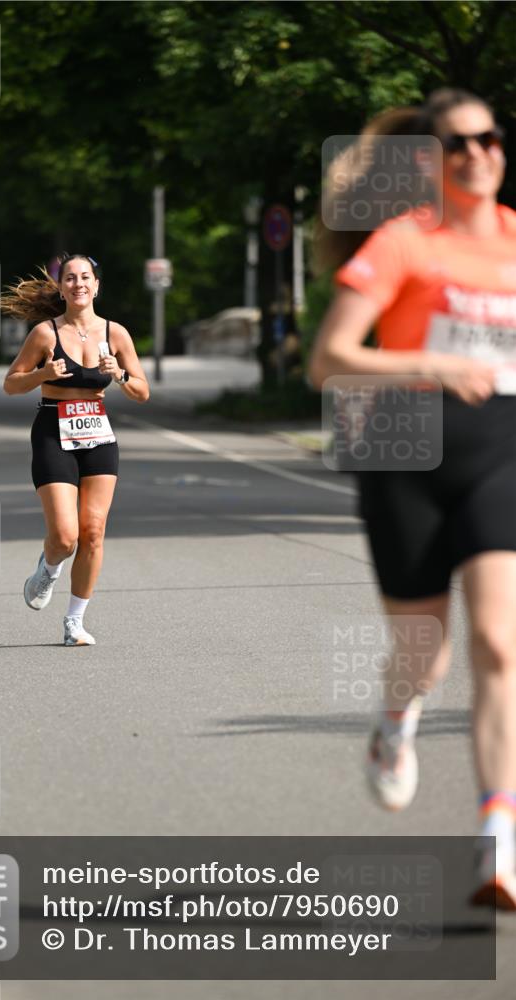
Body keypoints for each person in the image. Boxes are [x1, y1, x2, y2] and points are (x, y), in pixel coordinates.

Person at [309, 89, 516, 909]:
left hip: (500, 453)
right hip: (403, 452)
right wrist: (429, 366)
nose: (476, 154)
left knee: (498, 644)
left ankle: (497, 837)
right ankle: (395, 722)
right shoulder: (403, 242)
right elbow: (329, 358)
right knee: (423, 654)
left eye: (487, 138)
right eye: (456, 144)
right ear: (427, 161)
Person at [1, 253, 149, 646]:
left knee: (93, 531)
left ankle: (74, 622)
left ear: (96, 286)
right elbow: (11, 383)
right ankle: (49, 568)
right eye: (70, 278)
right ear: (61, 287)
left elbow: (142, 392)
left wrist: (119, 374)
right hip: (53, 431)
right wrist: (42, 374)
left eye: (85, 277)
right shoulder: (45, 334)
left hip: (98, 433)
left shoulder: (116, 334)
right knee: (66, 537)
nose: (78, 283)